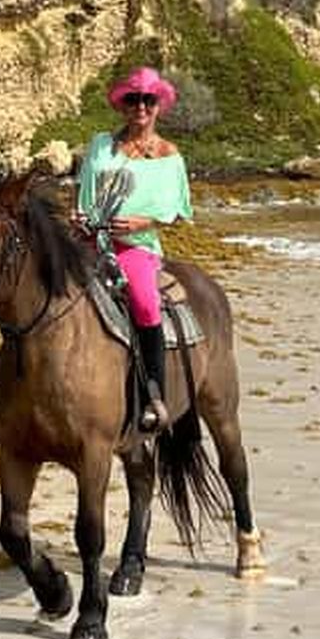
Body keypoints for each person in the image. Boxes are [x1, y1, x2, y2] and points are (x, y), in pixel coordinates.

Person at [75, 66, 193, 429]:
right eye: (132, 99)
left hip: (134, 246)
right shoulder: (100, 146)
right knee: (35, 281)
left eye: (148, 100)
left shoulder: (169, 156)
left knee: (143, 299)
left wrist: (143, 222)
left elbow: (177, 210)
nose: (140, 106)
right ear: (122, 106)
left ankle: (153, 391)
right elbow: (84, 192)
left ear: (158, 106)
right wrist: (78, 215)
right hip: (89, 239)